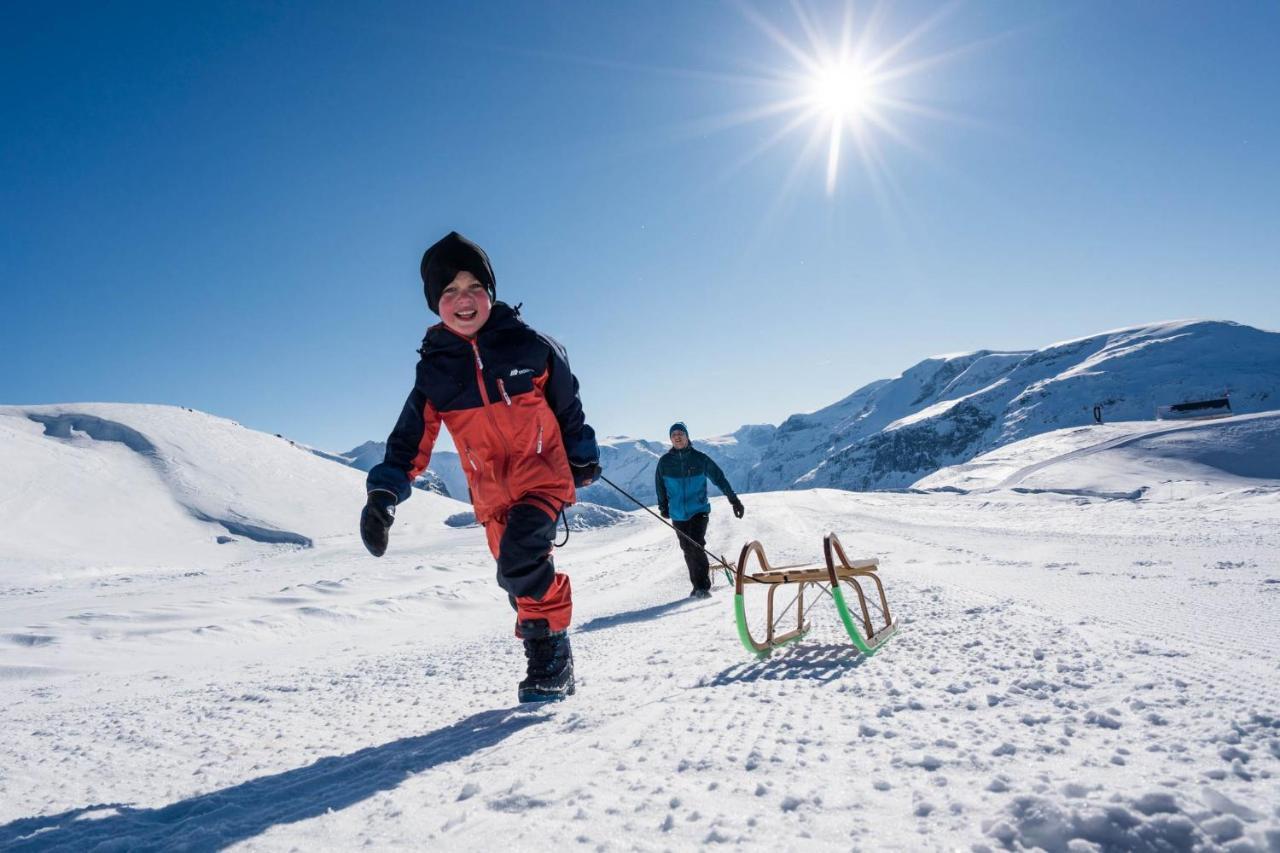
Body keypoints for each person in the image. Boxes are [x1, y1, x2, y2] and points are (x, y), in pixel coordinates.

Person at [359, 231, 601, 703]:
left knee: (520, 558)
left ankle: (551, 659)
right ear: (435, 304)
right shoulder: (435, 370)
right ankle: (546, 645)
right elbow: (410, 437)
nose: (463, 300)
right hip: (490, 494)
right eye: (449, 291)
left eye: (473, 287)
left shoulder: (531, 346)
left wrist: (582, 453)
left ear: (490, 292)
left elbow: (568, 404)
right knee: (515, 578)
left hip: (543, 477)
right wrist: (384, 494)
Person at [654, 422, 744, 598]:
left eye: (680, 433)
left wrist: (734, 500)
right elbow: (660, 486)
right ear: (671, 439)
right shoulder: (665, 462)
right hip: (678, 513)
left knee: (696, 544)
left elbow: (719, 479)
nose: (677, 437)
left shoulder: (700, 458)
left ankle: (703, 587)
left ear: (687, 436)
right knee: (687, 548)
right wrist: (663, 506)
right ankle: (696, 587)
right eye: (674, 435)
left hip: (699, 510)